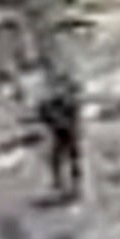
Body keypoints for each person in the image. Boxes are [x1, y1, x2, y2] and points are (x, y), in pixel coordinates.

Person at [34, 70, 82, 200]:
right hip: (61, 132)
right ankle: (64, 184)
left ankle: (71, 186)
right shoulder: (52, 102)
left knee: (71, 159)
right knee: (60, 159)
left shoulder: (66, 100)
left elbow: (73, 112)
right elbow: (43, 114)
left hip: (68, 132)